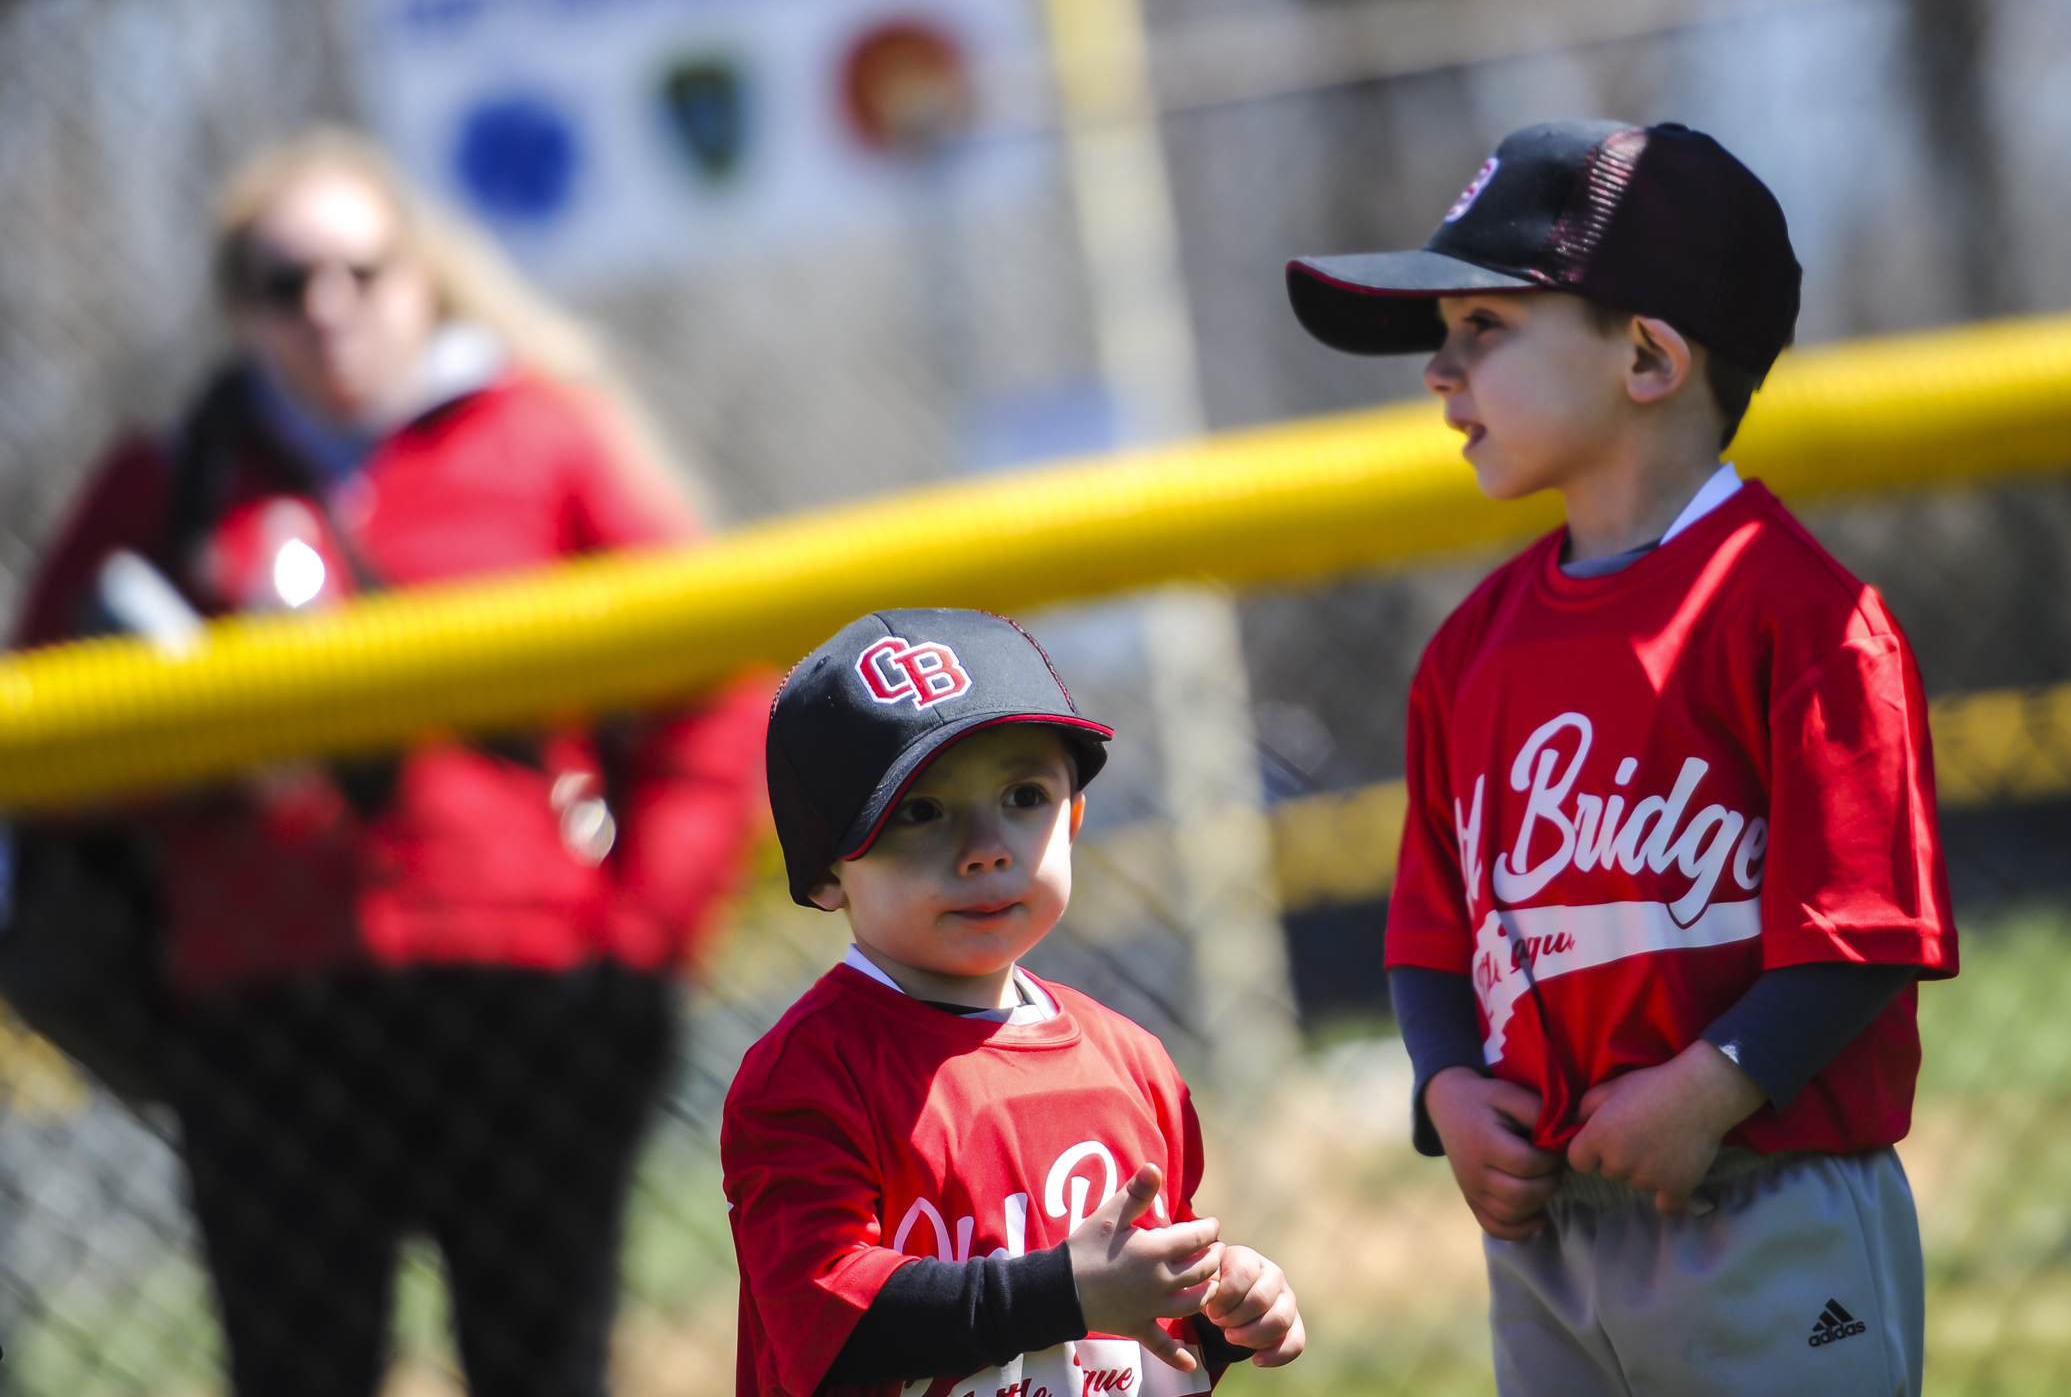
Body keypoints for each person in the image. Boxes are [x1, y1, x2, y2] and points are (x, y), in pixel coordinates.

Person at [13, 128, 769, 1397]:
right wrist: (201, 758)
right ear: (238, 309)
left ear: (422, 277)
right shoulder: (169, 480)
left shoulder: (540, 437)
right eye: (283, 280)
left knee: (544, 1364)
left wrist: (645, 930)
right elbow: (40, 739)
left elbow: (714, 690)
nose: (330, 307)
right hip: (267, 1011)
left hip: (530, 996)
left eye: (363, 270)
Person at [1286, 121, 1959, 1396]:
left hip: (1761, 1193)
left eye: (1484, 327)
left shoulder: (1801, 615)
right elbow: (1432, 936)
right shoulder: (1465, 653)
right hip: (1547, 1233)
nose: (1439, 370)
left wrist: (1711, 1089)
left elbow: (1865, 928)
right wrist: (1444, 1089)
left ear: (1647, 355)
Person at [723, 609, 1305, 1397]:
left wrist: (1219, 1307)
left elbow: (1142, 1330)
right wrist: (1065, 1292)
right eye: (920, 812)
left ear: (1072, 819)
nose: (987, 847)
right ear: (826, 870)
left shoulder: (1130, 1060)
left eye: (1024, 795)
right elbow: (829, 1326)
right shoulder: (807, 1077)